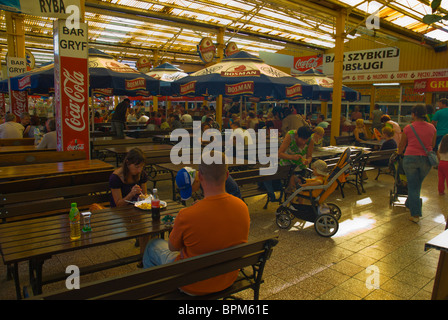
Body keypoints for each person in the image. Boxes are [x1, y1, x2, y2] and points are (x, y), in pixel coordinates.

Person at [142, 151, 250, 296]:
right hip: (227, 279)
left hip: (192, 285)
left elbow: (173, 247)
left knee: (152, 245)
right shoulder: (242, 208)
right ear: (226, 175)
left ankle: (159, 292)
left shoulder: (186, 215)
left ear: (199, 176)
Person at [397, 104, 436, 223]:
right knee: (416, 184)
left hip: (410, 159)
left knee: (413, 186)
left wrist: (399, 153)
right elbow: (433, 145)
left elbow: (402, 144)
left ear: (413, 114)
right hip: (426, 160)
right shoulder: (432, 128)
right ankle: (409, 203)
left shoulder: (409, 127)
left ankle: (415, 215)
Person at [278, 126, 314, 194]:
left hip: (300, 166)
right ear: (297, 135)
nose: (304, 142)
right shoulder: (290, 135)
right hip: (287, 166)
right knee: (292, 188)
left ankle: (300, 203)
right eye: (302, 140)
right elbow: (279, 154)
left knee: (301, 188)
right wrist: (292, 157)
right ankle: (291, 203)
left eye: (306, 140)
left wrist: (307, 161)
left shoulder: (310, 140)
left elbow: (309, 156)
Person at [176, 166, 242, 200]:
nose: (192, 192)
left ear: (196, 181)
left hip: (234, 204)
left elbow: (221, 201)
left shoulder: (210, 181)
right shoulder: (202, 175)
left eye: (191, 190)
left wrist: (202, 204)